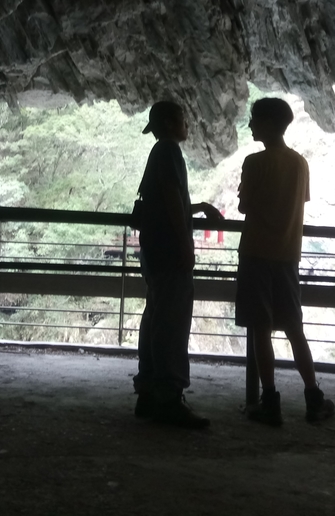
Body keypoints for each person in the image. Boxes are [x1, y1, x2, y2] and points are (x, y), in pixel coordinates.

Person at [235, 97, 335, 426]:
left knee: (260, 329)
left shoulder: (254, 162)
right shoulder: (300, 163)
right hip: (288, 255)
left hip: (256, 253)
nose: (250, 126)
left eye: (254, 120)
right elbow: (297, 201)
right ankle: (313, 396)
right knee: (294, 328)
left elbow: (244, 206)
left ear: (268, 124)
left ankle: (270, 400)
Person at [133, 100, 223, 428]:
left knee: (155, 318)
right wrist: (187, 246)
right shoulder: (170, 151)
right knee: (172, 323)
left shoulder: (159, 151)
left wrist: (196, 206)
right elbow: (171, 196)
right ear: (172, 124)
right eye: (184, 120)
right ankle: (169, 397)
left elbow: (166, 198)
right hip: (170, 252)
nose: (188, 125)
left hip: (154, 252)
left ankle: (147, 391)